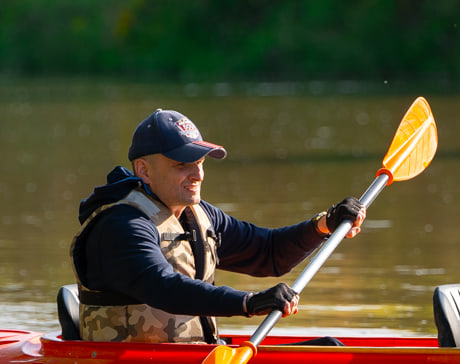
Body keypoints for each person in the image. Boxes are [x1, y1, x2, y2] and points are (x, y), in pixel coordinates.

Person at [70, 109, 366, 343]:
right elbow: (163, 288)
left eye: (200, 162)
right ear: (144, 170)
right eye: (182, 165)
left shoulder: (199, 215)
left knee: (328, 346)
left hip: (196, 361)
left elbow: (269, 253)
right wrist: (249, 302)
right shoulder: (121, 226)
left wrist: (324, 225)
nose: (197, 174)